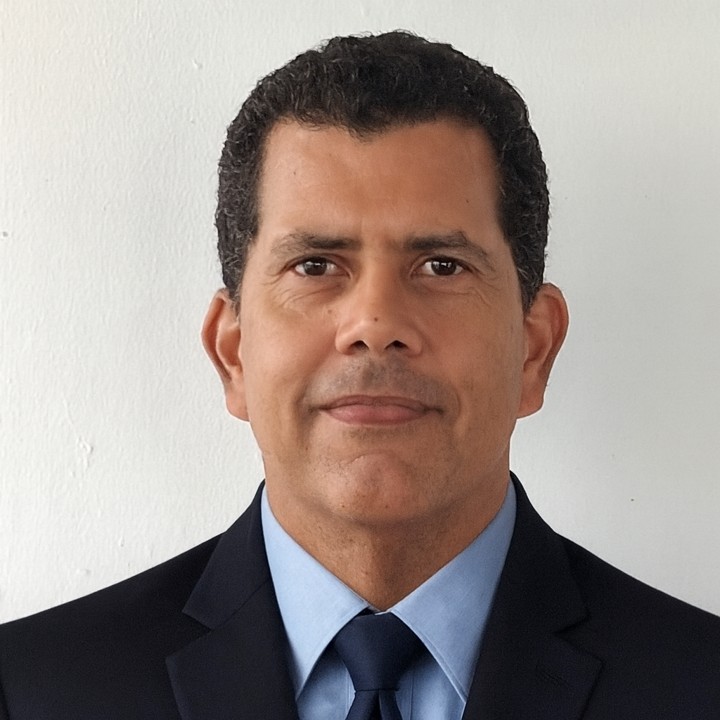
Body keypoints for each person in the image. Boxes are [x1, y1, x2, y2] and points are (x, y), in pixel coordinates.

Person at [0, 30, 718, 720]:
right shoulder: (32, 691)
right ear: (233, 353)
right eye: (315, 265)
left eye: (442, 266)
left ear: (533, 350)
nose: (375, 323)